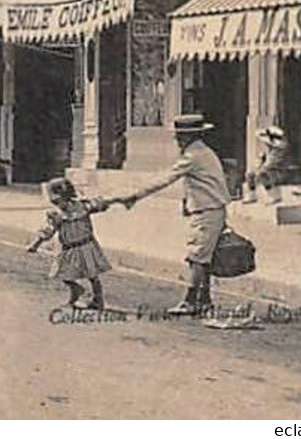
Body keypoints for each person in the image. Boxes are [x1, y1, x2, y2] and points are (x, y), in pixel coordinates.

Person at [119, 113, 232, 316]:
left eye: (179, 136)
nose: (176, 140)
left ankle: (189, 301)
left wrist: (135, 195)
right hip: (212, 209)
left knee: (196, 257)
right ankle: (204, 300)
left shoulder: (192, 156)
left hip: (207, 211)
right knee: (203, 257)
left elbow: (166, 178)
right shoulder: (204, 152)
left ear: (187, 137)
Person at [27, 177, 115, 310]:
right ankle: (77, 290)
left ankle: (98, 300)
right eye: (54, 202)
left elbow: (101, 204)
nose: (57, 204)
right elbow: (48, 231)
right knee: (62, 274)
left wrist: (117, 200)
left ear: (67, 196)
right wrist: (35, 244)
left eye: (58, 200)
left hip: (87, 245)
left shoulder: (83, 206)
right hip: (69, 249)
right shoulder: (57, 215)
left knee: (92, 276)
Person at [243, 126, 293, 204]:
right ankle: (254, 195)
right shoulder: (272, 148)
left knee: (261, 175)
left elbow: (273, 163)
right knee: (252, 174)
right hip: (270, 168)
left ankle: (273, 196)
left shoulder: (281, 147)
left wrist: (261, 168)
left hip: (278, 170)